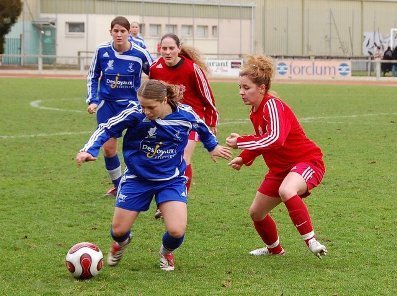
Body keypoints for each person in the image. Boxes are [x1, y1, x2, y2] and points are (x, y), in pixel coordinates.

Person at [76, 79, 232, 271]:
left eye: (151, 107)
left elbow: (201, 127)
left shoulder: (184, 114)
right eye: (142, 106)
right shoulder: (134, 113)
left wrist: (213, 146)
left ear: (165, 100)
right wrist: (89, 149)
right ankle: (121, 242)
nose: (146, 111)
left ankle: (166, 253)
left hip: (171, 180)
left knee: (176, 230)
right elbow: (106, 128)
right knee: (118, 231)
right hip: (137, 178)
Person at [226, 55, 328, 259]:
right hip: (280, 169)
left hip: (307, 162)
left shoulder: (273, 105)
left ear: (261, 88)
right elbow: (263, 139)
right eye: (240, 87)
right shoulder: (255, 111)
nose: (241, 92)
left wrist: (241, 142)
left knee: (287, 190)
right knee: (256, 213)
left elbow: (275, 139)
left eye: (246, 88)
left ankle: (312, 241)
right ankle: (275, 250)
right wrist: (245, 157)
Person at [149, 33, 219, 218]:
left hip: (191, 121)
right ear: (159, 49)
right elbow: (152, 95)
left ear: (179, 49)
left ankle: (178, 201)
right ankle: (163, 202)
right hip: (168, 122)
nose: (168, 52)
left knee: (183, 157)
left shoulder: (192, 69)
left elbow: (207, 95)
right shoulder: (155, 68)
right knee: (165, 159)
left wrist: (211, 121)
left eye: (171, 48)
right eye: (164, 48)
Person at [86, 16, 154, 197]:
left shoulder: (140, 53)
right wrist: (92, 100)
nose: (119, 34)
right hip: (107, 105)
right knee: (108, 149)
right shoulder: (102, 51)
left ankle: (143, 183)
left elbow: (157, 74)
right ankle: (119, 186)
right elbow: (93, 76)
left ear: (128, 33)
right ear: (110, 32)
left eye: (122, 31)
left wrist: (156, 100)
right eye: (115, 31)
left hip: (132, 107)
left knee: (137, 148)